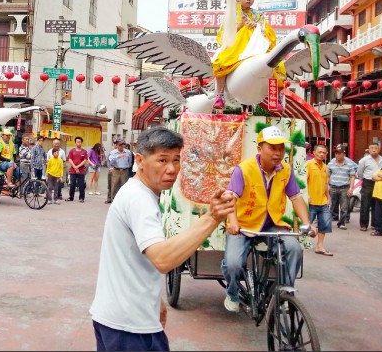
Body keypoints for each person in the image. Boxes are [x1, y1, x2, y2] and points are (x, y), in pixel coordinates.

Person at [90, 127, 235, 351]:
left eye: (176, 160)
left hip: (121, 318)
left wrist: (156, 300)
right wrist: (212, 218)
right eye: (162, 160)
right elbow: (162, 259)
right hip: (128, 326)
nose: (171, 169)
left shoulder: (138, 193)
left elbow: (136, 260)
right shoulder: (139, 200)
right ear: (140, 161)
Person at [221, 126, 316, 312]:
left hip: (271, 224)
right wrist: (233, 221)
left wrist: (307, 223)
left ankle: (284, 293)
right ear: (260, 149)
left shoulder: (285, 170)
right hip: (244, 226)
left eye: (281, 148)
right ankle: (232, 293)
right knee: (233, 264)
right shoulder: (244, 169)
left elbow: (296, 197)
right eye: (272, 148)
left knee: (294, 249)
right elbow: (230, 196)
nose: (278, 153)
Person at [212, 0, 285, 110]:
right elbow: (223, 35)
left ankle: (276, 97)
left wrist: (256, 26)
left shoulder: (258, 15)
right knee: (220, 60)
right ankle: (219, 95)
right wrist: (240, 26)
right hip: (237, 46)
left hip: (257, 47)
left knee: (277, 63)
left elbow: (269, 34)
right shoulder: (232, 13)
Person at [306, 144, 333, 255]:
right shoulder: (308, 165)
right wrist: (306, 195)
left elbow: (326, 184)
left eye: (324, 153)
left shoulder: (326, 168)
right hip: (311, 201)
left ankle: (320, 246)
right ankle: (299, 245)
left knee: (325, 224)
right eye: (319, 152)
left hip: (322, 201)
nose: (322, 154)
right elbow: (304, 181)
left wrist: (328, 197)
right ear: (314, 152)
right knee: (306, 224)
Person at [327, 144, 357, 229]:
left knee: (344, 207)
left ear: (344, 154)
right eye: (336, 153)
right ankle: (327, 223)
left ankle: (341, 223)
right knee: (331, 206)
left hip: (344, 187)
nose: (337, 155)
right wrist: (328, 186)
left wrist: (351, 188)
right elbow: (328, 175)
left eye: (339, 153)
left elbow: (352, 177)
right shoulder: (331, 163)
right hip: (333, 187)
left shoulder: (349, 164)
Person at [357, 142, 382, 232]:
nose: (374, 150)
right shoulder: (364, 160)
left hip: (379, 183)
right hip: (367, 182)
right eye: (372, 148)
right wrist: (365, 179)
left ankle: (375, 224)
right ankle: (363, 224)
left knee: (376, 205)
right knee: (365, 204)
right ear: (369, 150)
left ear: (379, 149)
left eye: (376, 148)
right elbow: (360, 173)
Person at [107, 139, 133, 204]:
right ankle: (113, 199)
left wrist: (127, 167)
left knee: (124, 185)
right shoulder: (113, 152)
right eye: (120, 145)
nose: (121, 146)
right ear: (117, 145)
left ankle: (123, 200)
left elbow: (130, 162)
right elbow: (110, 159)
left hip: (124, 170)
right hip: (116, 170)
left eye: (123, 144)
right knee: (114, 185)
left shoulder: (128, 152)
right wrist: (118, 156)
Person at [66, 136, 89, 203]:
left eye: (80, 142)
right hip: (73, 171)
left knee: (81, 184)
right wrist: (75, 167)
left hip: (81, 171)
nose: (78, 143)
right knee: (72, 184)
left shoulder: (84, 152)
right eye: (77, 142)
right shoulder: (72, 151)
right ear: (75, 143)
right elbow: (70, 159)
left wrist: (78, 167)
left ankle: (81, 198)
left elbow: (85, 160)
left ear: (81, 143)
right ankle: (71, 197)